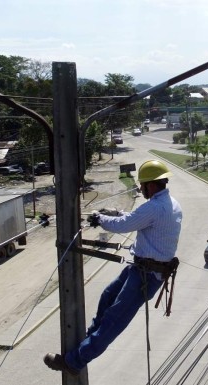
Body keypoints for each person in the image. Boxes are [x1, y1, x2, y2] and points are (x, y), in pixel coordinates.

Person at [44, 159, 182, 376]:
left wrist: (101, 219)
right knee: (107, 296)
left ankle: (74, 361)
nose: (141, 189)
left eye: (142, 185)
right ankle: (87, 341)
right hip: (141, 269)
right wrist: (115, 212)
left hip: (147, 275)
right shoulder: (169, 203)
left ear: (151, 185)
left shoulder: (156, 207)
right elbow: (134, 218)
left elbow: (124, 225)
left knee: (114, 319)